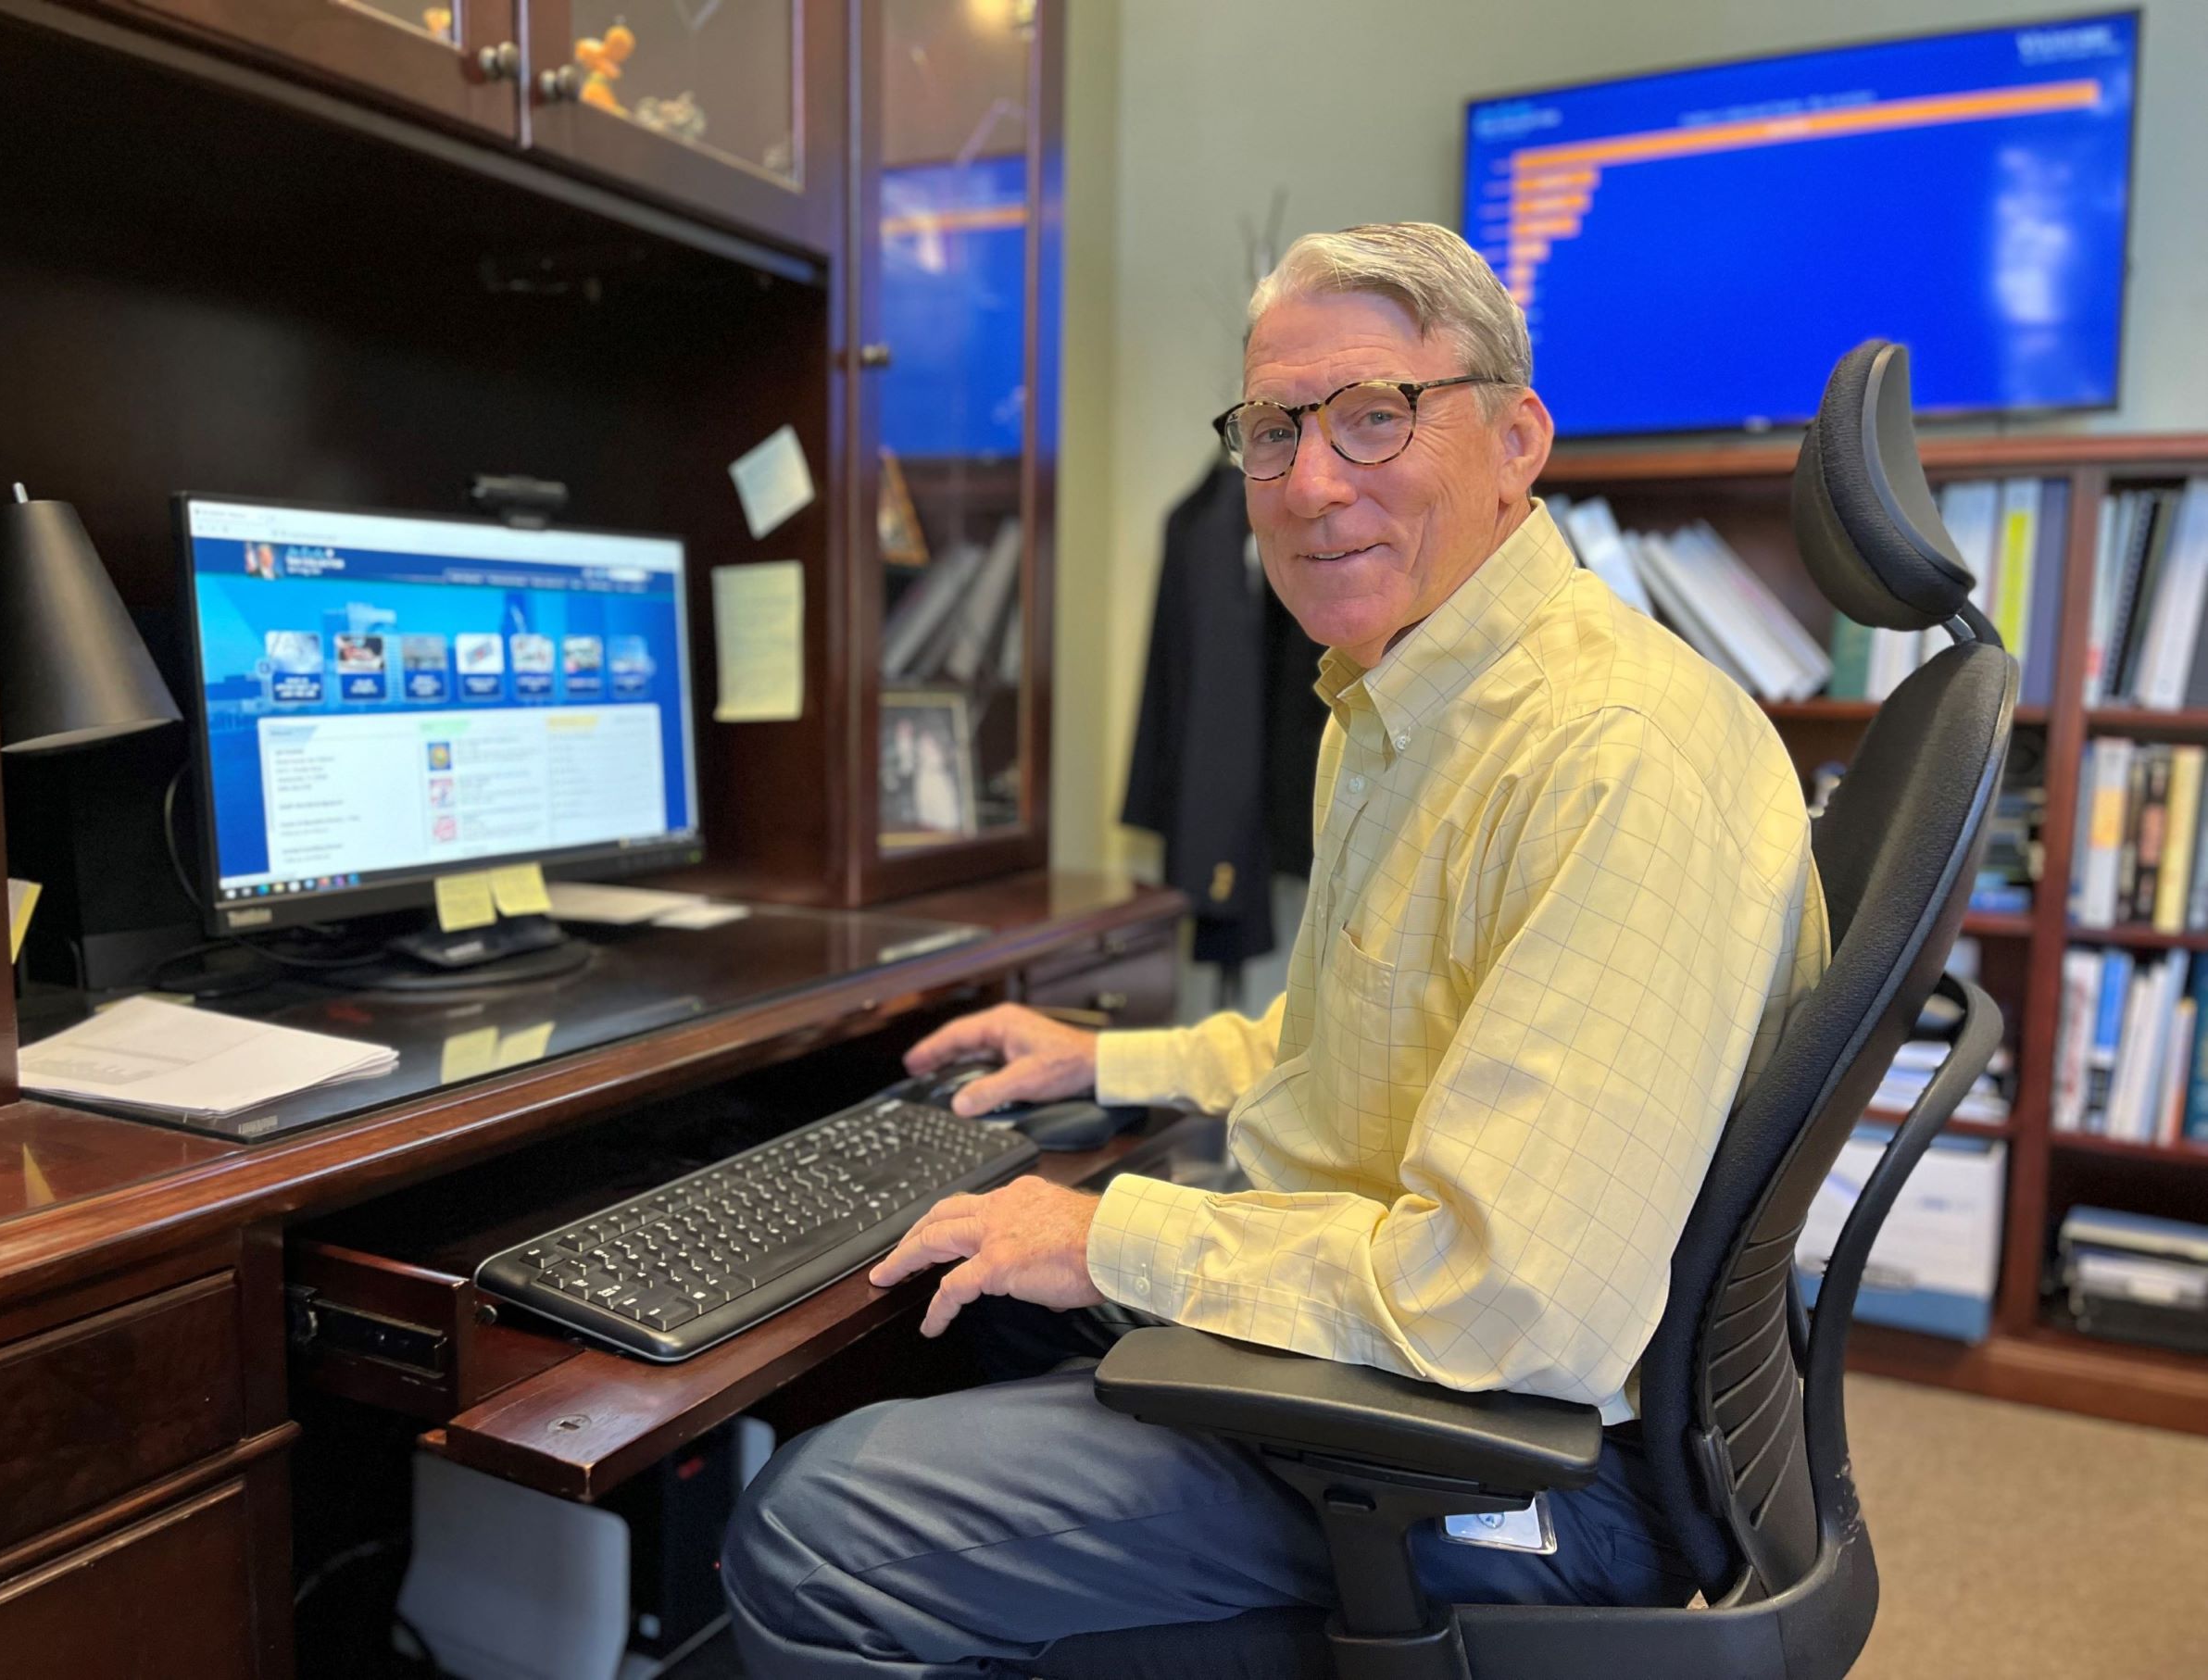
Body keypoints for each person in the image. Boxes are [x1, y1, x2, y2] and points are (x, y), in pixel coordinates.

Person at [720, 221, 1830, 1675]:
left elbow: (1505, 1301)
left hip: (1521, 1464)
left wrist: (1108, 1229)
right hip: (1443, 1384)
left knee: (814, 1526)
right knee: (964, 1313)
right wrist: (1105, 1055)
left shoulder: (1613, 754)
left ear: (1516, 437)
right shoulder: (1408, 694)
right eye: (1273, 431)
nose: (1310, 484)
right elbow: (1361, 1037)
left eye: (1376, 417)